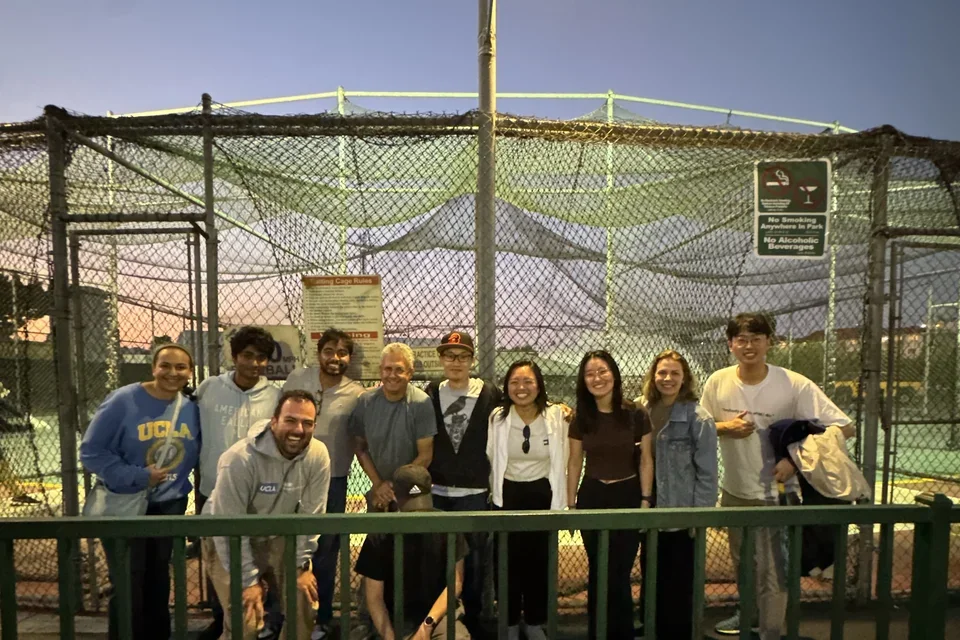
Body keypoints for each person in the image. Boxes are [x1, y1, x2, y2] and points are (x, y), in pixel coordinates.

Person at [701, 313, 851, 639]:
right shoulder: (718, 381)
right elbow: (702, 427)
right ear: (730, 344)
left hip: (778, 492)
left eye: (757, 338)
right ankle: (748, 615)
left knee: (774, 570)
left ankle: (771, 631)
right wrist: (727, 427)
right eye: (741, 339)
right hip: (736, 491)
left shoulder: (793, 384)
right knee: (744, 565)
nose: (749, 345)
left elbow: (843, 426)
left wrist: (796, 460)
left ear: (770, 342)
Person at [79, 343, 201, 640]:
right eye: (166, 366)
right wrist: (137, 476)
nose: (173, 373)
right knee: (128, 582)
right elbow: (91, 452)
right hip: (125, 502)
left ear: (190, 372)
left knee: (159, 581)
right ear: (153, 367)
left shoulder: (191, 408)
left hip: (170, 503)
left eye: (180, 367)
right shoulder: (123, 401)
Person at [202, 389, 331, 640]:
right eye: (290, 420)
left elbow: (312, 515)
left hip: (277, 535)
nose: (298, 430)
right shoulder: (239, 459)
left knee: (303, 602)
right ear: (274, 421)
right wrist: (248, 581)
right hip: (228, 538)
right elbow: (229, 527)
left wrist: (302, 565)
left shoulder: (318, 454)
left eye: (307, 423)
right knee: (247, 622)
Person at [196, 326, 282, 640]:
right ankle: (224, 620)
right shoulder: (208, 388)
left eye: (261, 358)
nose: (254, 363)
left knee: (256, 561)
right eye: (248, 356)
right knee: (218, 560)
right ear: (235, 356)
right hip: (212, 490)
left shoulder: (274, 396)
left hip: (255, 496)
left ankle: (262, 623)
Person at [283, 328, 366, 640]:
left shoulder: (356, 393)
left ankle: (322, 616)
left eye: (342, 352)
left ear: (349, 358)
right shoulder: (297, 380)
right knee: (286, 545)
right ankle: (284, 614)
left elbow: (361, 439)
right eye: (330, 351)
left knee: (325, 550)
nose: (335, 358)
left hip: (334, 480)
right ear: (319, 353)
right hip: (292, 474)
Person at [566, 350, 652, 640]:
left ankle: (621, 633)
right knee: (598, 571)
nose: (597, 378)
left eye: (602, 371)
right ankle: (597, 632)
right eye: (590, 373)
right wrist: (571, 503)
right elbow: (575, 461)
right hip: (593, 495)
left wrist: (644, 500)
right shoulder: (581, 418)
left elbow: (645, 459)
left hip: (627, 494)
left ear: (614, 375)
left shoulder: (636, 413)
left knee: (619, 572)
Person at [424, 331, 501, 633]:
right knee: (436, 561)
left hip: (474, 492)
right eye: (449, 355)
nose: (456, 362)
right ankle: (439, 623)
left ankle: (472, 622)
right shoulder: (430, 392)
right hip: (438, 492)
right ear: (441, 359)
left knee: (473, 563)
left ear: (472, 360)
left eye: (463, 356)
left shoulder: (490, 394)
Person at [639, 349, 718, 640]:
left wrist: (699, 517)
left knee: (681, 578)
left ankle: (680, 631)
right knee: (652, 573)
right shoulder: (642, 409)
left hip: (681, 512)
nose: (667, 378)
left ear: (684, 377)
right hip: (649, 509)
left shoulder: (699, 417)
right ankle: (652, 627)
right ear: (653, 376)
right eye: (662, 372)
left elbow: (708, 472)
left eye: (674, 373)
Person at [487, 360, 568, 640]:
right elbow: (490, 455)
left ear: (539, 385)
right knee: (506, 562)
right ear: (507, 386)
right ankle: (508, 623)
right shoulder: (497, 417)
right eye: (514, 382)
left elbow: (565, 454)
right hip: (507, 494)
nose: (521, 388)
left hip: (541, 494)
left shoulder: (557, 416)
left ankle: (534, 621)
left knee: (538, 562)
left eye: (528, 382)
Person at [355, 465, 470, 640]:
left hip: (438, 615)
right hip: (395, 616)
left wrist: (427, 626)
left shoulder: (449, 526)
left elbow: (455, 584)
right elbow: (374, 598)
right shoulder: (380, 535)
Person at [349, 342, 436, 512]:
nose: (392, 375)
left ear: (410, 373)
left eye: (399, 370)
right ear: (380, 370)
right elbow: (360, 448)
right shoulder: (365, 402)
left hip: (413, 488)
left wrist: (395, 487)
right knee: (378, 534)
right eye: (388, 369)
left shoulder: (421, 403)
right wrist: (379, 484)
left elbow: (425, 455)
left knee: (414, 533)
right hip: (379, 488)